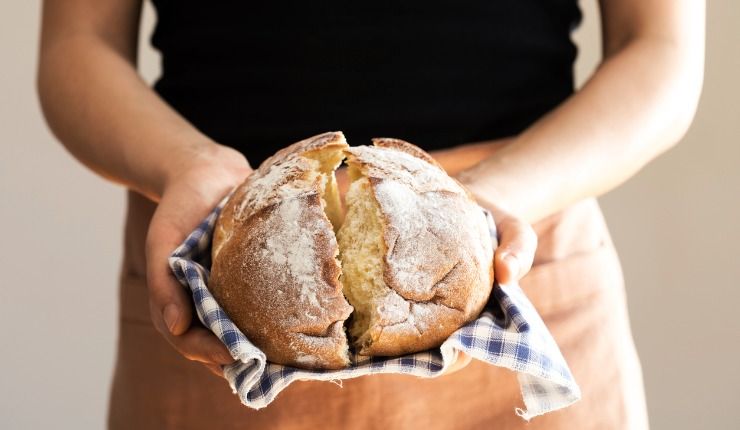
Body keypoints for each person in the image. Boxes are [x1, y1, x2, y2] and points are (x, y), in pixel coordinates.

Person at [37, 1, 704, 429]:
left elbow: (660, 49)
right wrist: (184, 166)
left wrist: (492, 199)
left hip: (514, 242)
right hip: (223, 249)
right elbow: (77, 45)